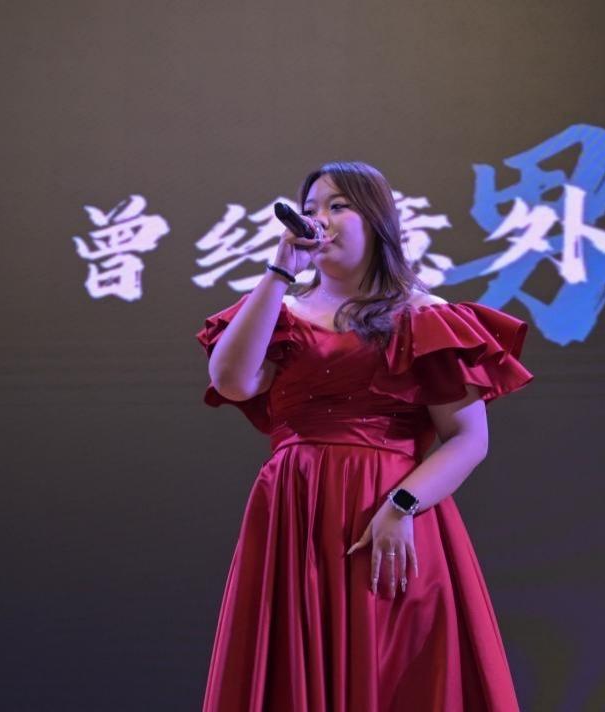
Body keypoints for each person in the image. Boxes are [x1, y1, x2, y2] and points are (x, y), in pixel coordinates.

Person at [195, 161, 532, 711]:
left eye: (337, 206)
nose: (318, 220)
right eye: (309, 210)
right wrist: (278, 272)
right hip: (296, 514)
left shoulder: (424, 316)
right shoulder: (283, 313)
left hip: (389, 520)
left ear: (376, 220)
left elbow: (468, 439)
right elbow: (230, 381)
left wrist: (401, 507)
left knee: (393, 668)